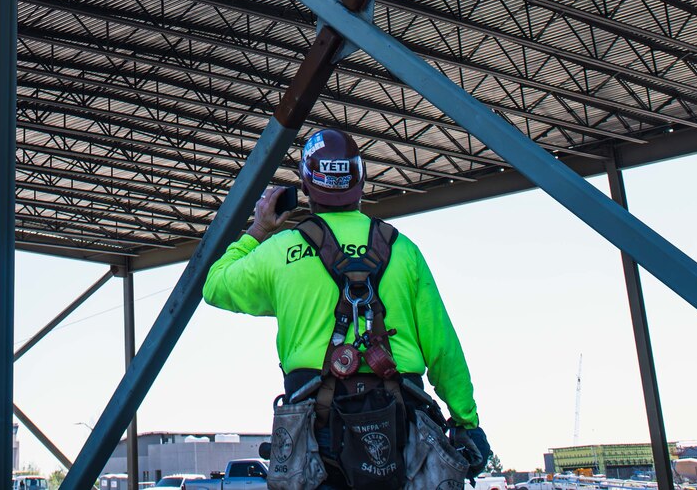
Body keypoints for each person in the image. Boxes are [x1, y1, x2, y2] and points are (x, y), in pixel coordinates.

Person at [203, 127, 489, 489]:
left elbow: (215, 285)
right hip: (402, 429)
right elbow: (443, 346)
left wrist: (259, 227)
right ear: (361, 180)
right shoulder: (403, 251)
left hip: (316, 433)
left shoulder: (281, 252)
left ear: (306, 186)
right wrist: (466, 422)